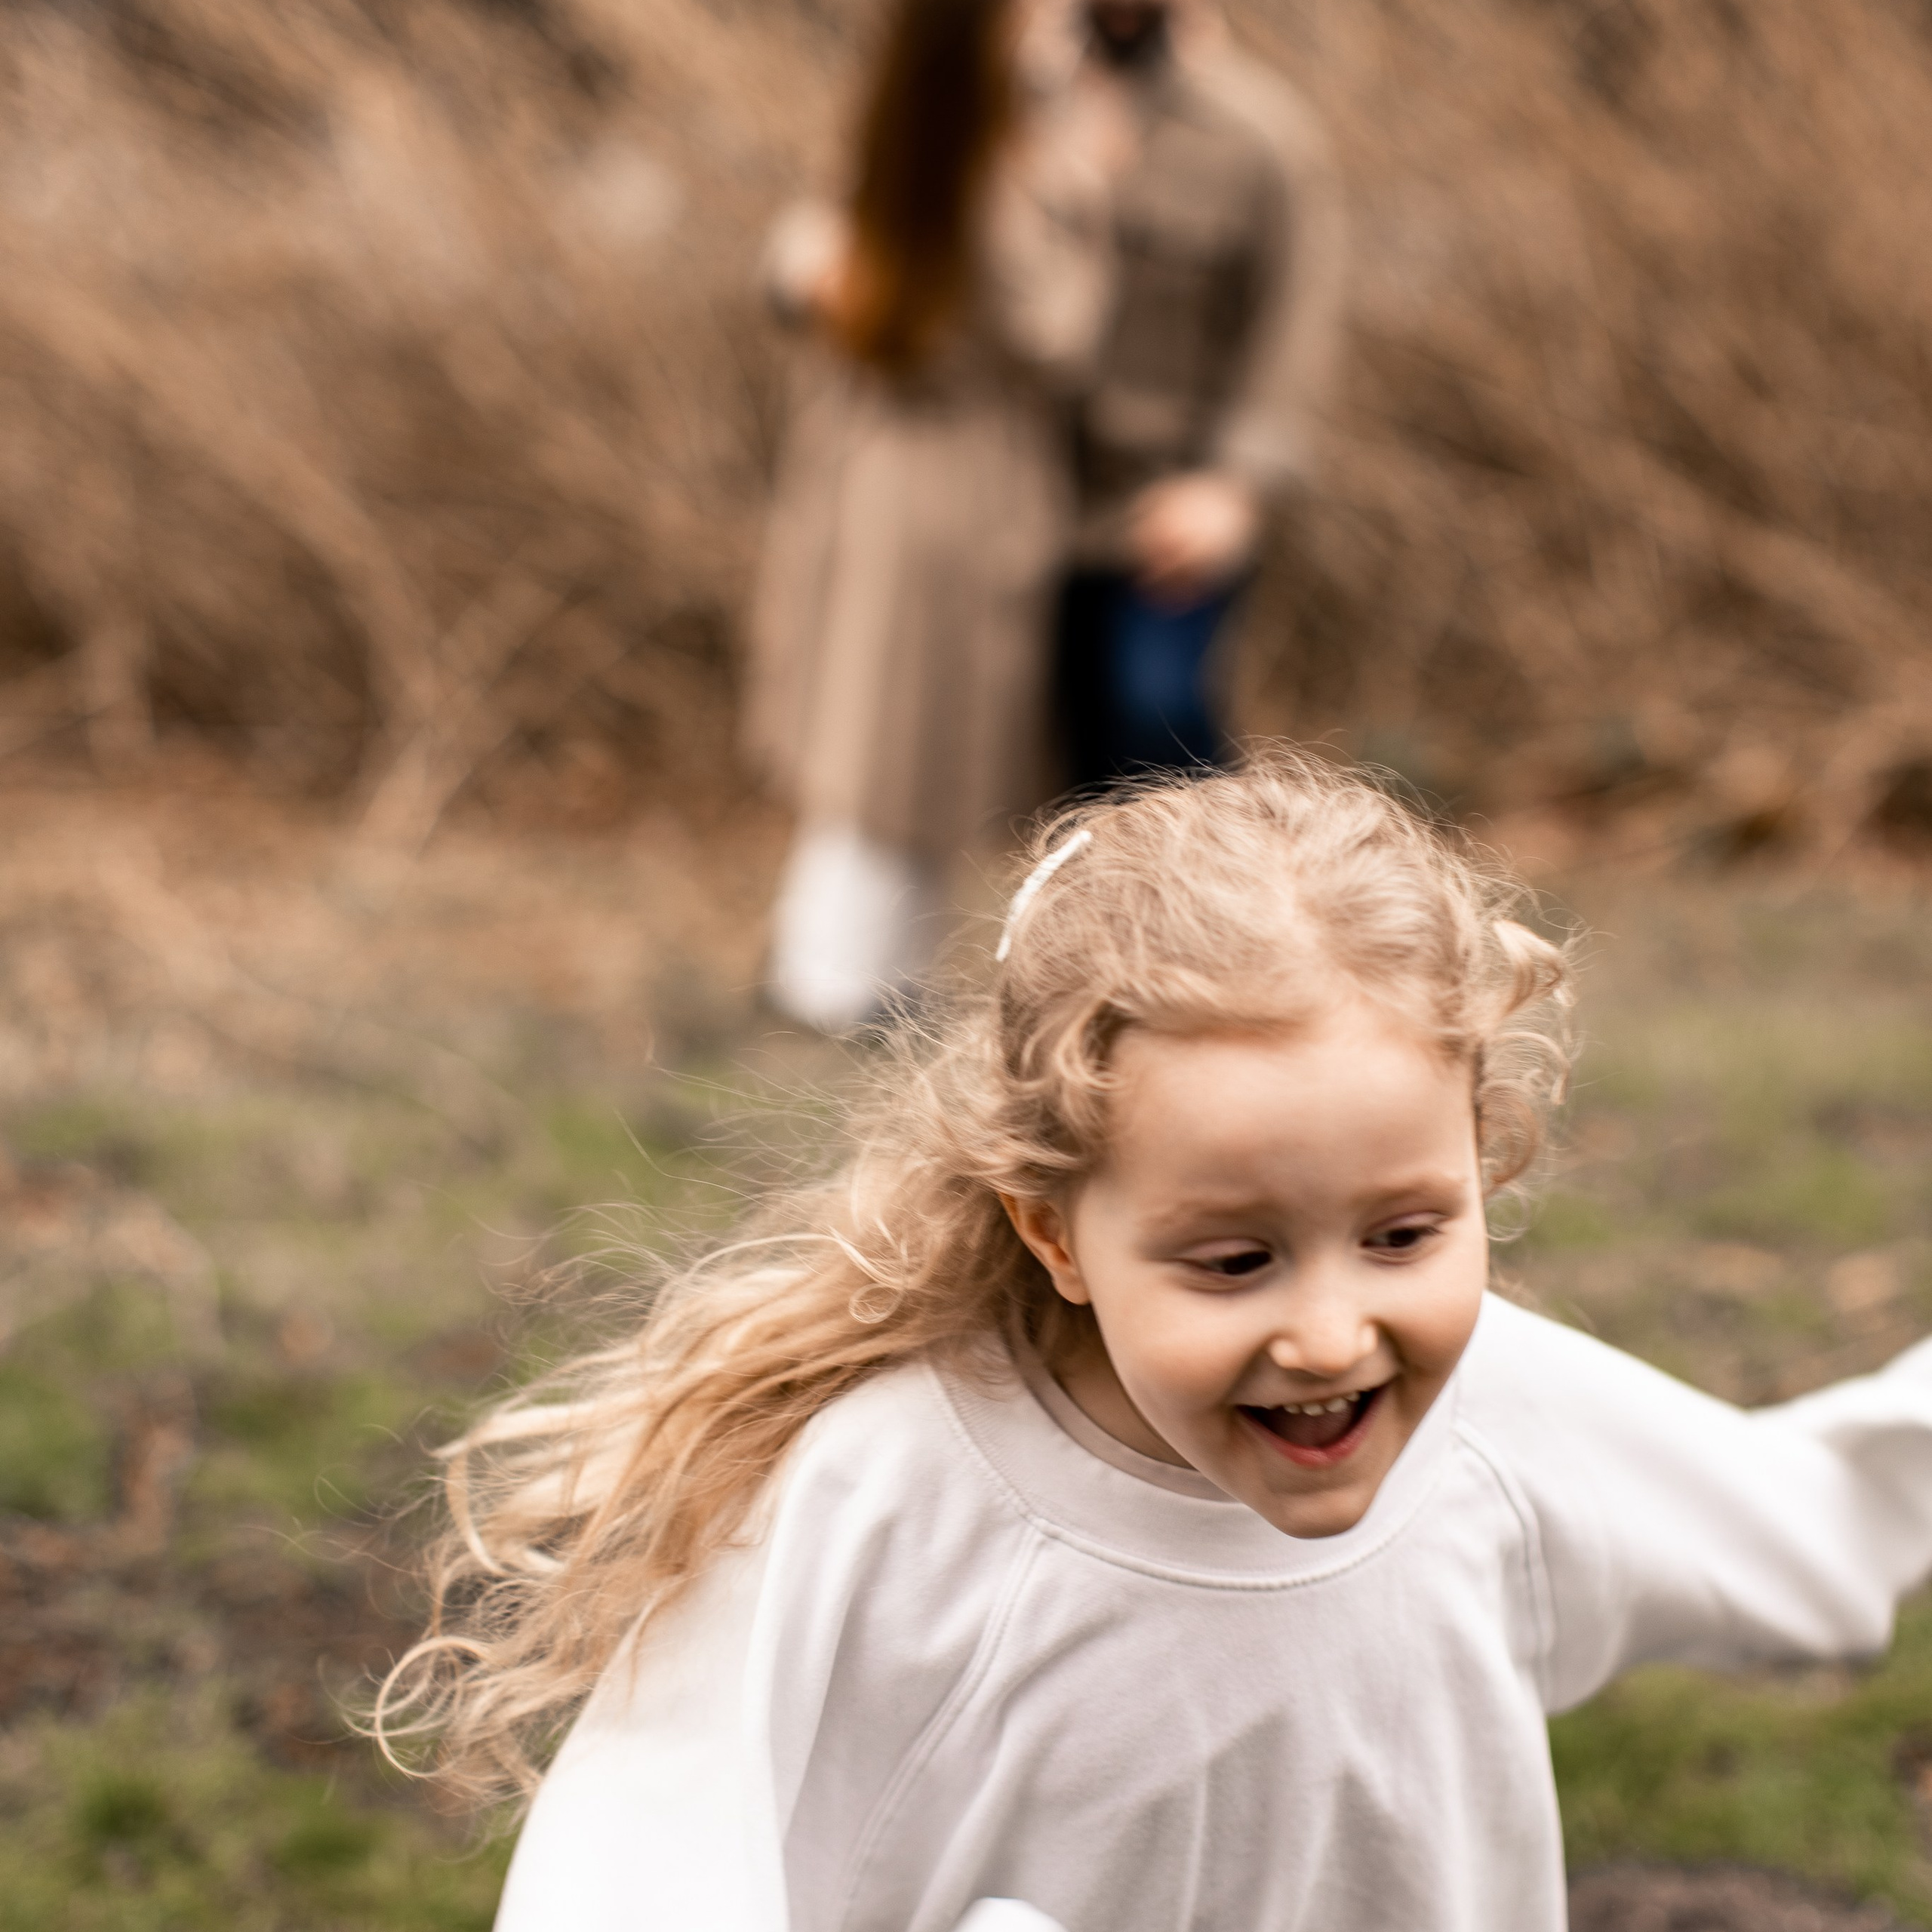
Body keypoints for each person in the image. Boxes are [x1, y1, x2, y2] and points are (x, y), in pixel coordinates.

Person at [379, 752, 1932, 1932]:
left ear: (1483, 1161)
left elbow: (1812, 1524)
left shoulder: (1503, 1426)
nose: (1330, 1331)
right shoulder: (880, 1500)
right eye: (1231, 1258)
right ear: (1056, 1228)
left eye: (1403, 1233)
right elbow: (631, 1878)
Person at [745, 0, 1117, 1032]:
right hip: (956, 491)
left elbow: (806, 247)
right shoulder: (989, 170)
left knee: (889, 737)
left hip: (882, 475)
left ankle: (859, 974)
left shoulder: (911, 138)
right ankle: (832, 983)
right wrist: (1090, 194)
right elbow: (1057, 335)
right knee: (904, 741)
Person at [1054, 0, 1346, 787]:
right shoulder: (1019, 114)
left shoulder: (1255, 133)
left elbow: (1295, 325)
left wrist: (1234, 485)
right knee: (1056, 766)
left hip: (1165, 499)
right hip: (1025, 499)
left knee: (1158, 717)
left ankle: (1221, 897)